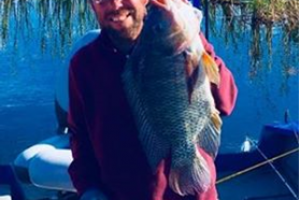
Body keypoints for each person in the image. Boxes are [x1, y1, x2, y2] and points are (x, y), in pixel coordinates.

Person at [67, 0, 238, 199]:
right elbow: (79, 136)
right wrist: (88, 188)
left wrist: (196, 46)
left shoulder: (186, 45)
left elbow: (226, 102)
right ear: (91, 5)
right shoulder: (83, 65)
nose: (114, 5)